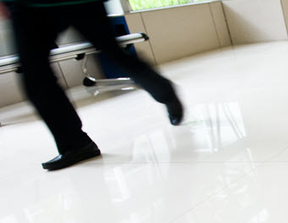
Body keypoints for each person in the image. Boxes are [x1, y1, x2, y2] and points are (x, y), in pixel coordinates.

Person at [0, 0, 183, 171]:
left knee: (113, 54)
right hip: (27, 6)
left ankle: (165, 92)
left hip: (80, 2)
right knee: (34, 73)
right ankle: (76, 144)